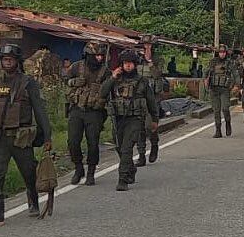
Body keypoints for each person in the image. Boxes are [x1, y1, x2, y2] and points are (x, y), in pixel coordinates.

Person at [0, 42, 51, 225]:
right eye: (4, 60)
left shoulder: (28, 83)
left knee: (29, 173)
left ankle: (33, 201)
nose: (7, 63)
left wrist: (47, 136)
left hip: (21, 138)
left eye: (10, 59)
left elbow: (39, 110)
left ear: (17, 61)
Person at [101, 50, 160, 191]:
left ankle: (122, 179)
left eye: (130, 63)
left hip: (135, 119)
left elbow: (151, 102)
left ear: (135, 64)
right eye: (125, 63)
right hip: (118, 118)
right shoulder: (115, 79)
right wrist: (112, 78)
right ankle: (131, 169)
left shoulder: (142, 81)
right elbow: (103, 93)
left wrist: (155, 119)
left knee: (127, 149)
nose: (128, 66)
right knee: (119, 148)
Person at [63, 41, 110, 185]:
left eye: (101, 56)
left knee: (93, 143)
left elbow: (110, 90)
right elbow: (65, 80)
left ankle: (91, 172)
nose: (99, 58)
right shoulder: (77, 67)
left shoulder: (105, 71)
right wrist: (75, 82)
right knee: (73, 141)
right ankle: (78, 168)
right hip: (76, 109)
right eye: (96, 56)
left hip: (95, 112)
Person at [137, 42, 169, 165]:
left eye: (149, 46)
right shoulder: (136, 58)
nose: (147, 48)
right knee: (139, 126)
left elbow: (157, 74)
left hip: (153, 97)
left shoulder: (158, 60)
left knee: (150, 125)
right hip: (139, 96)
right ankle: (141, 155)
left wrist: (150, 61)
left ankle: (154, 144)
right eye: (145, 46)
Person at [206, 46, 239, 137]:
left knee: (225, 108)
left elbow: (236, 74)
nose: (222, 54)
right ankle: (218, 130)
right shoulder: (213, 62)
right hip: (214, 89)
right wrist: (206, 81)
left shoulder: (230, 63)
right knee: (216, 110)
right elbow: (207, 73)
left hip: (225, 89)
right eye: (220, 52)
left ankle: (228, 123)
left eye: (224, 52)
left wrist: (237, 85)